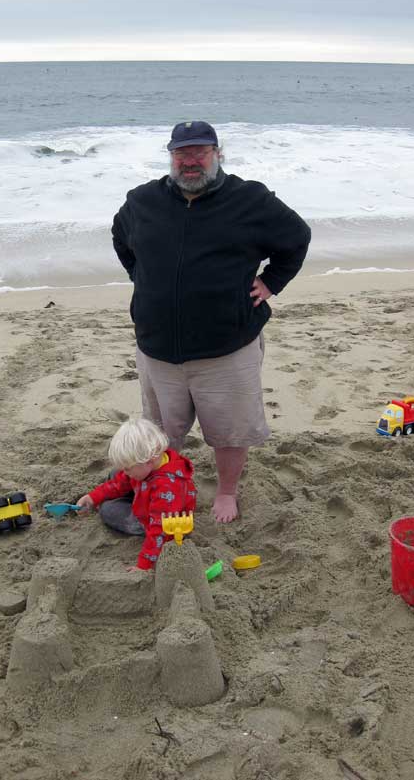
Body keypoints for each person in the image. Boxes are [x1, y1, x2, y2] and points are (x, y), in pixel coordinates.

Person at [111, 120, 311, 524]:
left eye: (200, 152)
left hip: (227, 346)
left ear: (218, 154)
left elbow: (297, 237)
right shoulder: (142, 201)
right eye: (181, 153)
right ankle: (165, 486)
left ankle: (226, 492)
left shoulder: (250, 200)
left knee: (229, 431)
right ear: (171, 157)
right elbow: (121, 239)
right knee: (162, 433)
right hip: (158, 347)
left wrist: (271, 282)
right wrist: (147, 282)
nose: (190, 161)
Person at [77, 417, 196, 571]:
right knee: (116, 474)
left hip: (163, 521)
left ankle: (131, 511)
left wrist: (144, 566)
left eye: (128, 468)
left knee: (107, 510)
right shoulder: (152, 461)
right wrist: (93, 497)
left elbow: (159, 531)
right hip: (147, 491)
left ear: (149, 460)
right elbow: (121, 480)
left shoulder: (166, 489)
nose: (125, 471)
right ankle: (129, 493)